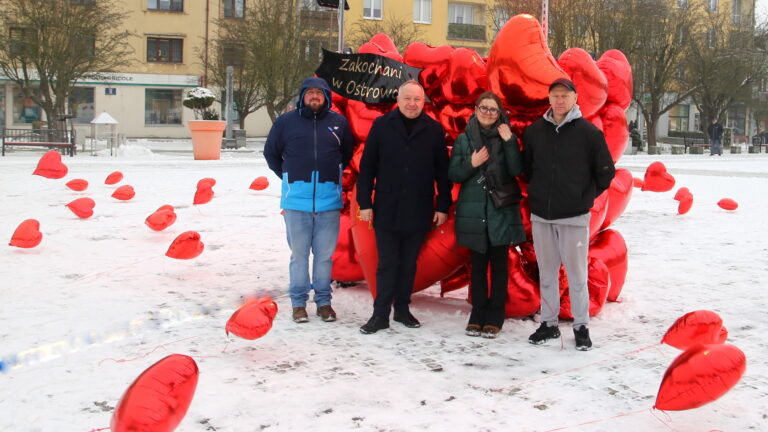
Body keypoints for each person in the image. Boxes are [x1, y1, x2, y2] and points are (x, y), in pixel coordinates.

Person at [522, 78, 615, 351]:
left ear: (575, 98)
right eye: (555, 95)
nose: (559, 100)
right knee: (547, 273)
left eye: (565, 95)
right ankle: (549, 324)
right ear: (549, 99)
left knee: (576, 274)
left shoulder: (589, 133)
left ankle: (581, 326)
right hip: (542, 215)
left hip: (574, 217)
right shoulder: (535, 131)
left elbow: (605, 172)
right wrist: (539, 193)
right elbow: (528, 168)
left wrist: (583, 197)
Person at [356, 80, 452, 334]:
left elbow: (443, 174)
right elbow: (367, 168)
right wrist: (364, 203)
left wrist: (442, 206)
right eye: (407, 99)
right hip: (387, 207)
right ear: (398, 101)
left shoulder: (433, 130)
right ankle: (380, 315)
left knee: (409, 263)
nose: (412, 104)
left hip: (419, 208)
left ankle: (402, 309)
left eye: (417, 100)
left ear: (424, 102)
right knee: (387, 263)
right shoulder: (381, 126)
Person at [264, 77, 354, 324]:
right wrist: (290, 175)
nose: (315, 96)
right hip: (296, 203)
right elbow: (271, 153)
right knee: (299, 255)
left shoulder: (339, 123)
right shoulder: (285, 122)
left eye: (320, 93)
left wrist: (330, 175)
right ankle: (298, 303)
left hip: (328, 202)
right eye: (310, 92)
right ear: (302, 95)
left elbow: (345, 153)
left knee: (325, 257)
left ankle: (324, 302)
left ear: (327, 97)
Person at [448, 91, 526, 339]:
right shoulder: (463, 140)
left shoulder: (506, 136)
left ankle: (495, 316)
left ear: (499, 112)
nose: (488, 113)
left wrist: (510, 142)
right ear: (476, 109)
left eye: (493, 109)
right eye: (484, 108)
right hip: (474, 211)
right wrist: (471, 163)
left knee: (500, 266)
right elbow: (454, 174)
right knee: (478, 267)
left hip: (499, 211)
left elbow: (516, 170)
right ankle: (477, 314)